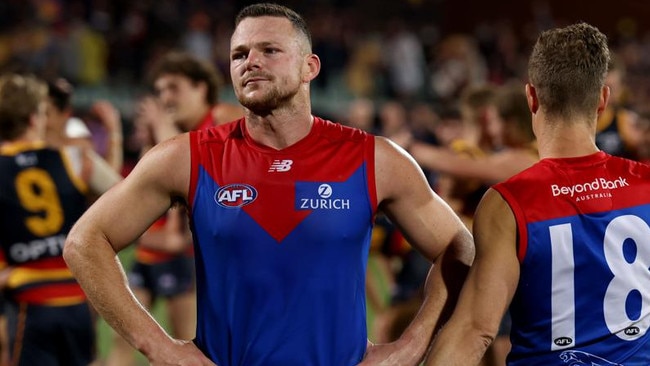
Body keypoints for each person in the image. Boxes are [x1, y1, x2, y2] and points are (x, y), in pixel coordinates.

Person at [63, 3, 474, 365]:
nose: (250, 62)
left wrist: (412, 346)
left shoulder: (374, 159)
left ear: (309, 66)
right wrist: (160, 348)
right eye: (239, 54)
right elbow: (85, 241)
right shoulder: (186, 157)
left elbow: (459, 247)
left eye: (269, 50)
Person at [425, 22, 650, 365]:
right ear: (603, 98)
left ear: (531, 97)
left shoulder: (508, 202)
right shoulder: (646, 184)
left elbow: (476, 329)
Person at [106, 51, 244, 366]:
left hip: (231, 258)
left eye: (174, 88)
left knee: (203, 346)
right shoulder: (172, 137)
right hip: (189, 255)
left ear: (201, 89)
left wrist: (162, 127)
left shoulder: (227, 118)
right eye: (161, 90)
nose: (165, 97)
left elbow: (190, 174)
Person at [0, 74, 121, 365]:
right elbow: (122, 195)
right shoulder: (74, 158)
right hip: (76, 299)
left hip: (29, 300)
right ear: (34, 118)